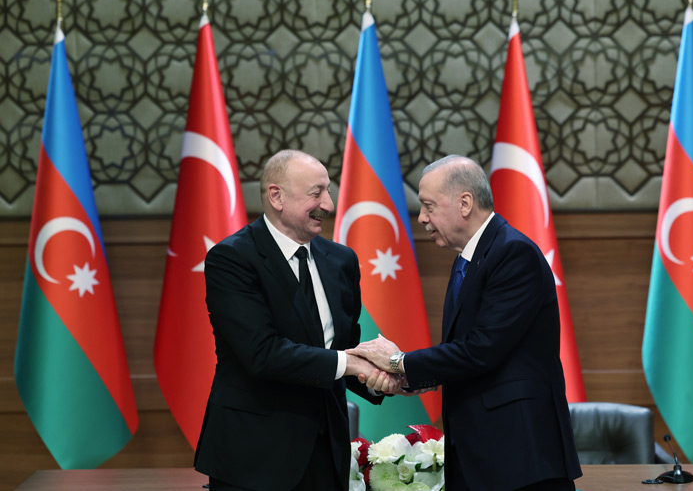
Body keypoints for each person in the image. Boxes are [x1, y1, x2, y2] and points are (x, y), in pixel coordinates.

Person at [349, 155, 582, 491]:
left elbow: (481, 350)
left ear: (465, 203)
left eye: (429, 205)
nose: (422, 217)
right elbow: (463, 352)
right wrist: (410, 377)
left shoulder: (512, 253)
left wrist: (398, 362)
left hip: (520, 457)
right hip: (484, 457)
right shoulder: (470, 259)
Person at [194, 150, 400, 491]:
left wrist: (386, 377)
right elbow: (262, 353)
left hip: (327, 453)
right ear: (277, 196)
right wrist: (354, 362)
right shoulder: (232, 259)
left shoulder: (341, 261)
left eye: (328, 191)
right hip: (255, 456)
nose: (328, 204)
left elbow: (344, 349)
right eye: (316, 193)